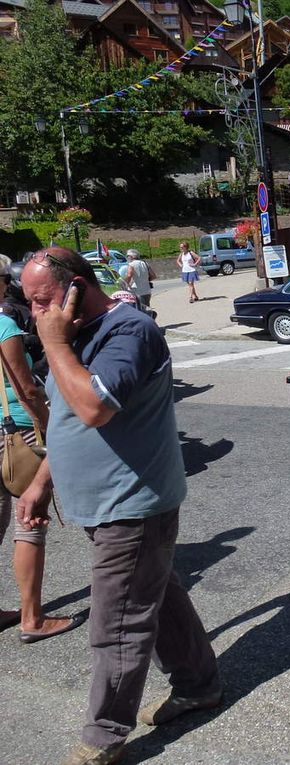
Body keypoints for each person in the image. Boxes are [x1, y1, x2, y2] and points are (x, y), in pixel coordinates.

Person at [18, 248, 220, 765]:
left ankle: (103, 737)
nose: (37, 313)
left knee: (117, 625)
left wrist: (54, 341)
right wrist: (42, 480)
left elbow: (92, 407)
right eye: (30, 303)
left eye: (43, 301)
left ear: (78, 287)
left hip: (131, 505)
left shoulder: (128, 331)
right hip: (107, 503)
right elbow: (64, 415)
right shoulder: (73, 333)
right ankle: (199, 685)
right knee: (160, 595)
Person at [0, 258, 85, 645]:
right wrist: (52, 426)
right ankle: (32, 617)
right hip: (17, 431)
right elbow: (26, 387)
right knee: (29, 522)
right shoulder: (3, 326)